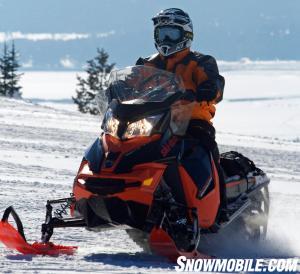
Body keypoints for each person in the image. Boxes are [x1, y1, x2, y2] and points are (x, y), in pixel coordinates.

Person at [136, 8, 227, 223]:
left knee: (205, 149)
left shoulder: (201, 62)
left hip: (192, 121)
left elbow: (215, 83)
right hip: (154, 121)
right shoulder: (147, 63)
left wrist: (209, 89)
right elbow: (133, 85)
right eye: (161, 34)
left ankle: (219, 207)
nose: (165, 39)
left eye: (171, 34)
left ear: (186, 35)